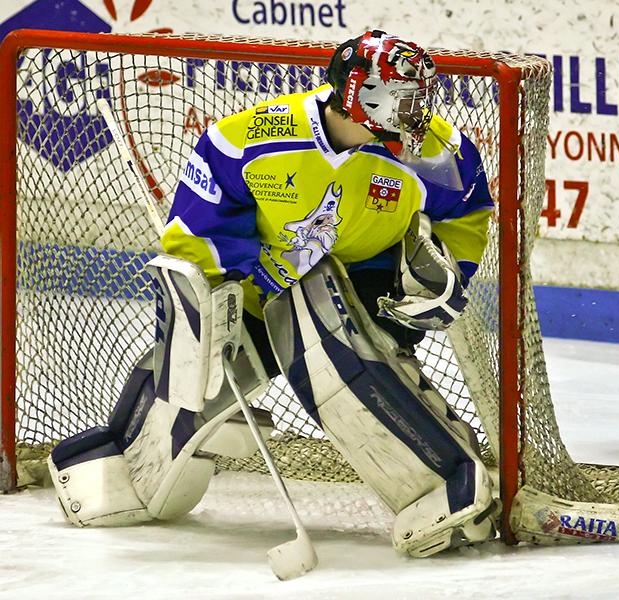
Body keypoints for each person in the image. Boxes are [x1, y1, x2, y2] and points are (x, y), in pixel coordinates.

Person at [46, 30, 497, 558]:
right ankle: (115, 456)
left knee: (338, 352)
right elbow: (194, 240)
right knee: (176, 409)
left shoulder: (433, 152)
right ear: (361, 94)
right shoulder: (252, 138)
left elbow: (467, 213)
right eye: (404, 97)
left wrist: (446, 273)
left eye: (420, 97)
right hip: (257, 291)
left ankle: (443, 482)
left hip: (368, 291)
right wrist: (221, 309)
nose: (418, 111)